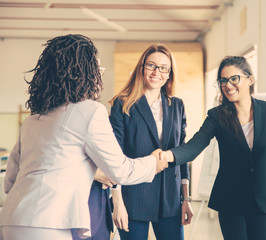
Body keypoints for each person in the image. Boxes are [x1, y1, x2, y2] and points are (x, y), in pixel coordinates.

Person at [0, 34, 168, 240]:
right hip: (50, 225)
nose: (100, 76)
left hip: (12, 221)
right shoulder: (90, 111)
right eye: (98, 70)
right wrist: (153, 163)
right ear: (86, 73)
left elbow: (10, 182)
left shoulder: (33, 118)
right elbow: (120, 171)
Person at [162, 56, 266, 240]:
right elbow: (194, 146)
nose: (228, 85)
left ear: (250, 80)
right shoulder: (217, 116)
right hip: (231, 201)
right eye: (223, 80)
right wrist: (168, 156)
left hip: (265, 202)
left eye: (234, 79)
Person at [103, 43, 193, 240]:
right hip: (133, 198)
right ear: (142, 67)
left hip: (170, 200)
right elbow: (114, 156)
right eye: (151, 65)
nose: (156, 72)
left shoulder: (177, 105)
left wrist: (185, 198)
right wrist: (117, 202)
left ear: (169, 74)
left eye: (163, 68)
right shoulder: (123, 104)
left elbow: (182, 153)